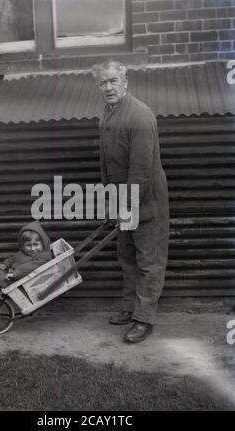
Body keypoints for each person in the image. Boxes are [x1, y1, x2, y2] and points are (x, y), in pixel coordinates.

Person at [92, 61, 170, 343]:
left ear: (126, 82)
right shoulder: (107, 115)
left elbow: (141, 169)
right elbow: (106, 164)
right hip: (122, 198)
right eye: (103, 83)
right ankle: (130, 308)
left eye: (113, 81)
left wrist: (128, 206)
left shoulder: (139, 115)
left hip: (146, 199)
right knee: (126, 256)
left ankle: (144, 319)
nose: (108, 87)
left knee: (149, 260)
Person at [0, 221, 52, 307]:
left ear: (43, 243)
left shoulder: (43, 258)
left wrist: (15, 274)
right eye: (28, 245)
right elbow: (13, 258)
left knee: (2, 280)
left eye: (36, 244)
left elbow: (30, 268)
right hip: (16, 279)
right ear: (23, 246)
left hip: (25, 285)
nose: (33, 248)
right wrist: (6, 264)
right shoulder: (25, 253)